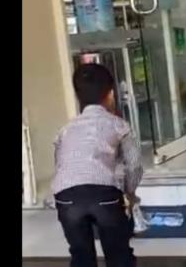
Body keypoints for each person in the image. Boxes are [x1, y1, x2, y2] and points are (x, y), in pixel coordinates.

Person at [51, 63, 143, 267]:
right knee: (119, 255)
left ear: (78, 96)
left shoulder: (65, 129)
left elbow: (59, 164)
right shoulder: (119, 125)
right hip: (104, 195)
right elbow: (135, 165)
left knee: (81, 256)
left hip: (66, 198)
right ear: (110, 94)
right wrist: (129, 193)